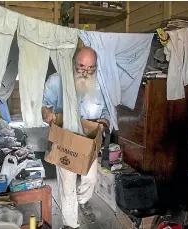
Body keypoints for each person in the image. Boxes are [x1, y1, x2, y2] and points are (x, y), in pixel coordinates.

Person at [41, 47, 111, 229]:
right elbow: (44, 107)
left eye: (91, 68)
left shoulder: (101, 84)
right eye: (81, 67)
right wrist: (47, 114)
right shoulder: (56, 80)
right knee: (67, 184)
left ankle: (82, 200)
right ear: (73, 64)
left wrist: (104, 122)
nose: (86, 72)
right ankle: (70, 224)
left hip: (88, 142)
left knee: (91, 179)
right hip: (65, 139)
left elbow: (106, 113)